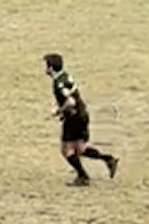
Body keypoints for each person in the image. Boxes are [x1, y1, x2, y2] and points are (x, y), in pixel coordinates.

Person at [45, 53, 118, 186]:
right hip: (82, 114)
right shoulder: (66, 76)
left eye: (47, 65)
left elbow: (70, 101)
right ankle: (108, 159)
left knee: (66, 150)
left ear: (51, 68)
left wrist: (58, 111)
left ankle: (83, 176)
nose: (45, 68)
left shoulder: (58, 83)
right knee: (80, 149)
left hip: (73, 118)